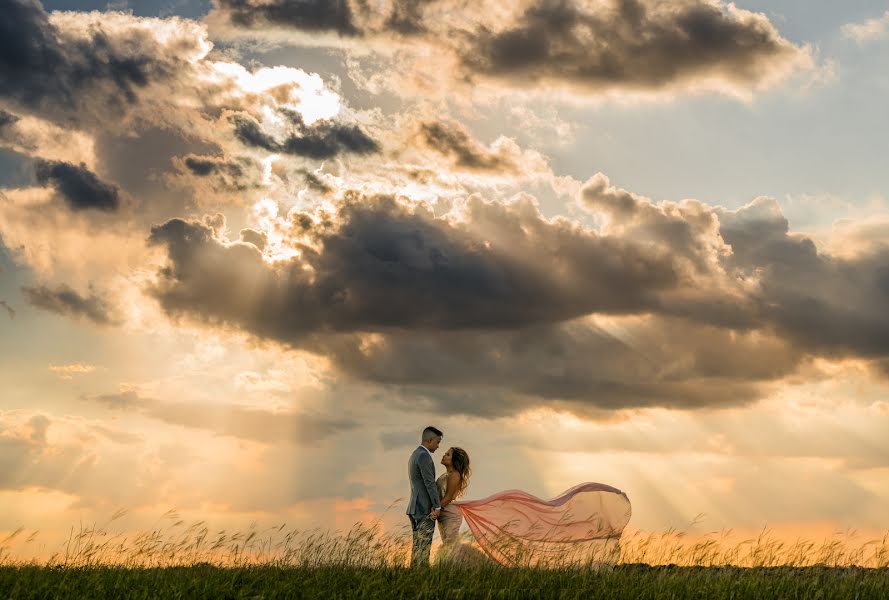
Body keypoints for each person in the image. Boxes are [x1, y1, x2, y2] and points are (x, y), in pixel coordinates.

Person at [406, 426, 442, 567]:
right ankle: (421, 574)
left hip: (414, 507)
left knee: (417, 546)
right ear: (429, 440)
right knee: (423, 546)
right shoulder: (424, 456)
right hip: (423, 508)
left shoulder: (415, 454)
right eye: (437, 442)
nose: (438, 446)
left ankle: (415, 574)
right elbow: (429, 483)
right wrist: (437, 506)